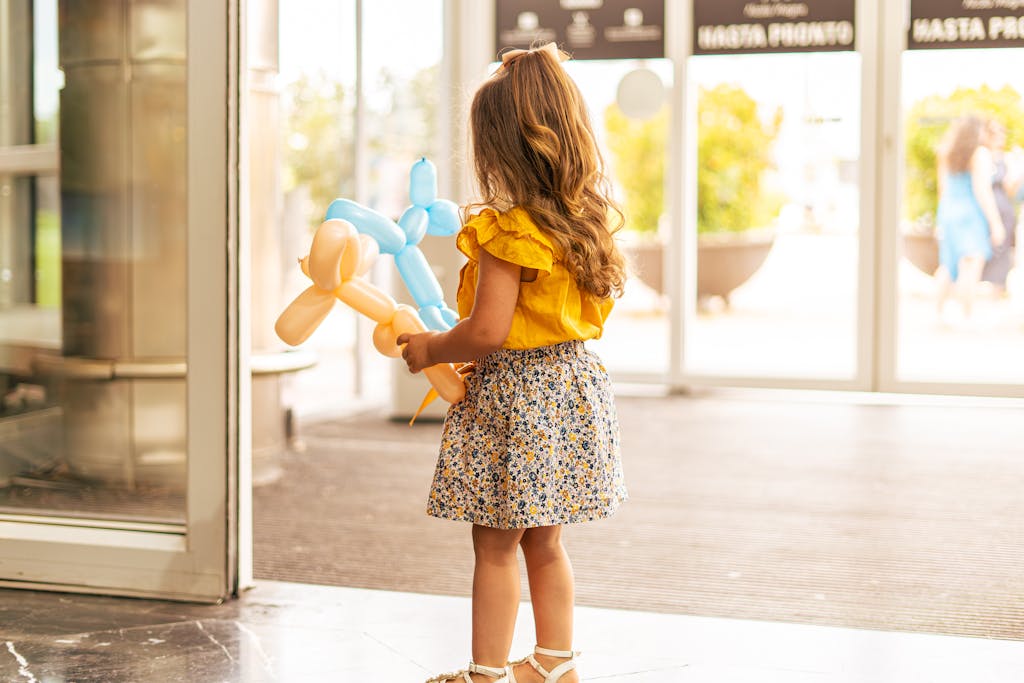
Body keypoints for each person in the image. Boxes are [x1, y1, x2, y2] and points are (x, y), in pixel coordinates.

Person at [396, 42, 628, 683]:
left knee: (494, 543)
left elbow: (489, 331)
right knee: (545, 540)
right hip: (572, 386)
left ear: (496, 147)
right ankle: (555, 662)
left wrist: (431, 350)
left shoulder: (509, 230)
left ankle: (486, 673)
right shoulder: (584, 221)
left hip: (518, 399)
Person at [934, 115, 1006, 319]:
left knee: (947, 265)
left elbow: (942, 189)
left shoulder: (946, 152)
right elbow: (982, 191)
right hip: (969, 214)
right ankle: (966, 315)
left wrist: (941, 218)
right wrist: (996, 223)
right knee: (971, 263)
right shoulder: (979, 153)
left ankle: (938, 313)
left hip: (948, 211)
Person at [980, 118, 1024, 292]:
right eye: (996, 132)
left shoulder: (1007, 158)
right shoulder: (982, 155)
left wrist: (1019, 170)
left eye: (1002, 133)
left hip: (1004, 208)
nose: (1001, 137)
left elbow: (1010, 189)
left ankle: (998, 289)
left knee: (1003, 250)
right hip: (987, 208)